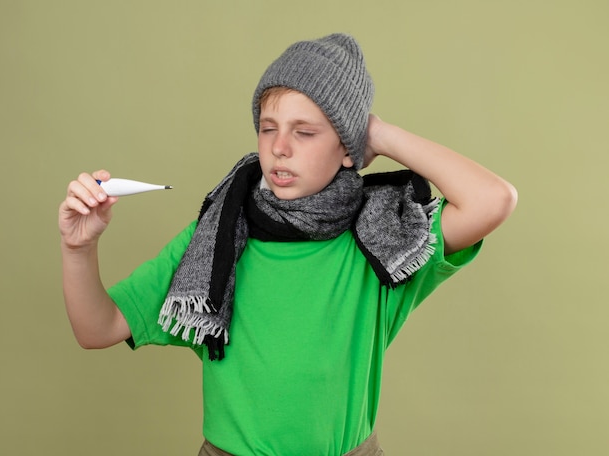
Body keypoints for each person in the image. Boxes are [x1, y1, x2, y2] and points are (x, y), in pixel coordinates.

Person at [59, 33, 517, 456]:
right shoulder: (213, 243)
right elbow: (97, 329)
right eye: (267, 127)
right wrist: (79, 248)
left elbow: (492, 200)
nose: (280, 147)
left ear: (347, 148)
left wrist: (375, 133)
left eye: (305, 131)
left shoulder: (385, 239)